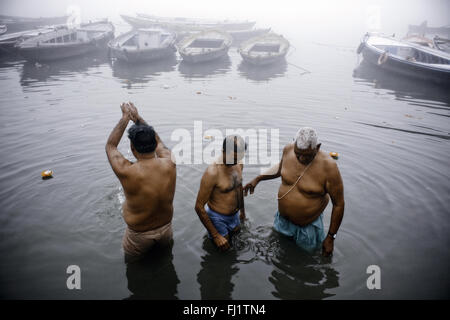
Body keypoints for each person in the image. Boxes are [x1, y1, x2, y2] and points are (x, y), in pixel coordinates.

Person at [244, 127, 344, 256]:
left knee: (306, 261)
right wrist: (258, 178)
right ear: (294, 145)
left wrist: (331, 237)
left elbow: (339, 204)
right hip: (282, 222)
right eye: (298, 154)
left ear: (317, 147)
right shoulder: (288, 150)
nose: (301, 159)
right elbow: (280, 169)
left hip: (307, 229)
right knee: (279, 257)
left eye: (307, 156)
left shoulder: (329, 167)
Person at [105, 102, 176, 261]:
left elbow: (111, 146)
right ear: (154, 144)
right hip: (166, 230)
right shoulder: (170, 162)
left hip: (139, 236)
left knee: (134, 269)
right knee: (166, 261)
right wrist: (138, 118)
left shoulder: (126, 171)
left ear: (132, 147)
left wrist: (125, 118)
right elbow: (159, 142)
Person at [194, 135, 247, 251]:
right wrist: (216, 235)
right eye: (233, 158)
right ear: (223, 151)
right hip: (218, 218)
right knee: (224, 250)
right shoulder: (212, 173)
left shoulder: (239, 163)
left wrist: (243, 212)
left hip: (235, 216)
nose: (235, 162)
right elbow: (198, 207)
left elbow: (239, 188)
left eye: (238, 158)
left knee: (238, 242)